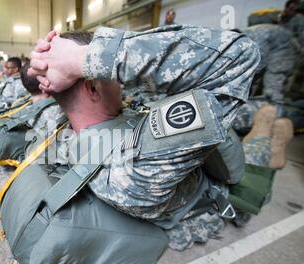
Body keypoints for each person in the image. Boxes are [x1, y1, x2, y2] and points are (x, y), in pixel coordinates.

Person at [23, 26, 260, 250]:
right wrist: (84, 58)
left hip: (150, 156)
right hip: (214, 189)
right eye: (112, 77)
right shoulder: (133, 164)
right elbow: (240, 55)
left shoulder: (62, 127)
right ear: (93, 88)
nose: (121, 84)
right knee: (261, 129)